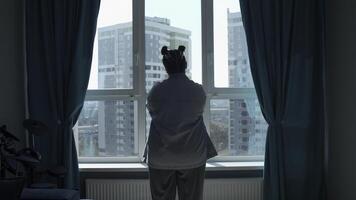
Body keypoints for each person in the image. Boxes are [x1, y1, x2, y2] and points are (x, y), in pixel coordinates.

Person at [143, 45, 218, 200]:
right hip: (192, 155)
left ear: (166, 67)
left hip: (161, 156)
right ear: (185, 65)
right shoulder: (198, 90)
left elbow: (152, 112)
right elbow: (198, 112)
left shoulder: (156, 91)